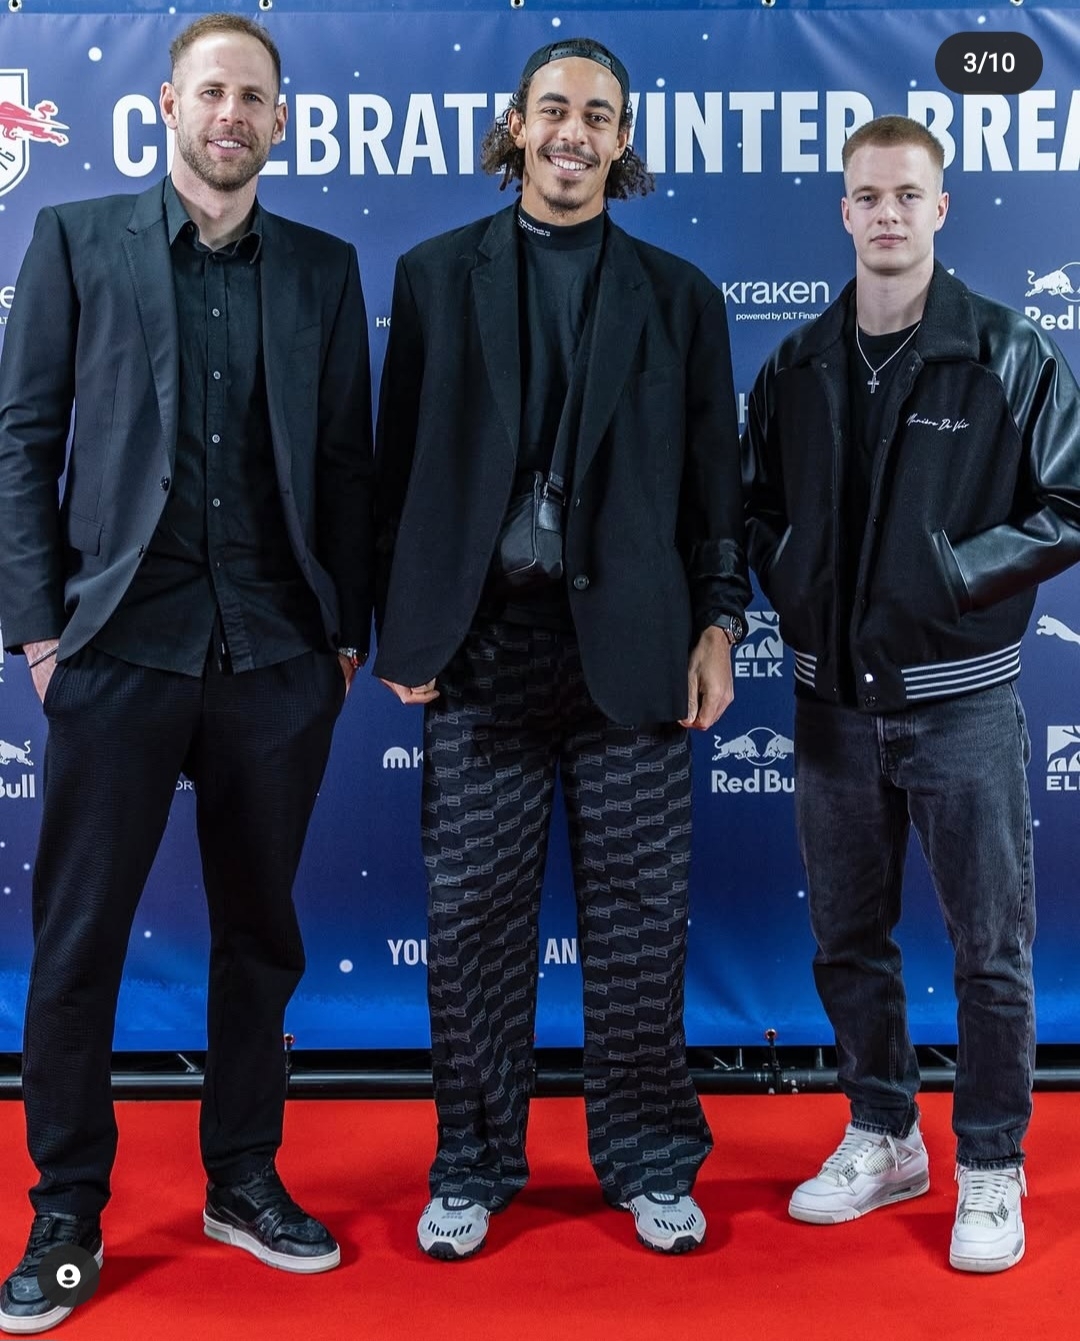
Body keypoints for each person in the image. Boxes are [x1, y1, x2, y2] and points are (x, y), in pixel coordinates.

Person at [0, 13, 373, 1332]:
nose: (232, 114)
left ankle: (242, 1179)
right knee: (77, 943)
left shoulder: (324, 269)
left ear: (280, 120)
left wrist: (340, 636)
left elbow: (346, 462)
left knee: (261, 937)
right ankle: (65, 1206)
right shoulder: (75, 241)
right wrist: (39, 635)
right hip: (114, 651)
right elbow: (22, 442)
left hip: (276, 655)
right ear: (168, 106)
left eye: (254, 96)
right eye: (212, 90)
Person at [374, 37, 749, 1261]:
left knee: (641, 929)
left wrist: (720, 622)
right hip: (480, 656)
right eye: (553, 109)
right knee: (472, 926)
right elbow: (396, 474)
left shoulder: (680, 297)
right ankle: (473, 1165)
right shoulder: (436, 276)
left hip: (632, 660)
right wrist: (402, 623)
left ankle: (649, 1161)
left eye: (598, 113)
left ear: (622, 139)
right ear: (516, 127)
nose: (573, 131)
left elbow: (715, 491)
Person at [742, 114, 1080, 1273]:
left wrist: (953, 575)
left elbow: (1069, 504)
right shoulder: (796, 364)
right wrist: (793, 571)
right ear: (844, 212)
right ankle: (885, 1134)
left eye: (907, 195)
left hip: (961, 703)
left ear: (941, 208)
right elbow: (751, 505)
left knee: (991, 948)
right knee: (848, 939)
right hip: (831, 706)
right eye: (869, 196)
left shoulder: (1006, 351)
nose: (887, 213)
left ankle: (990, 1161)